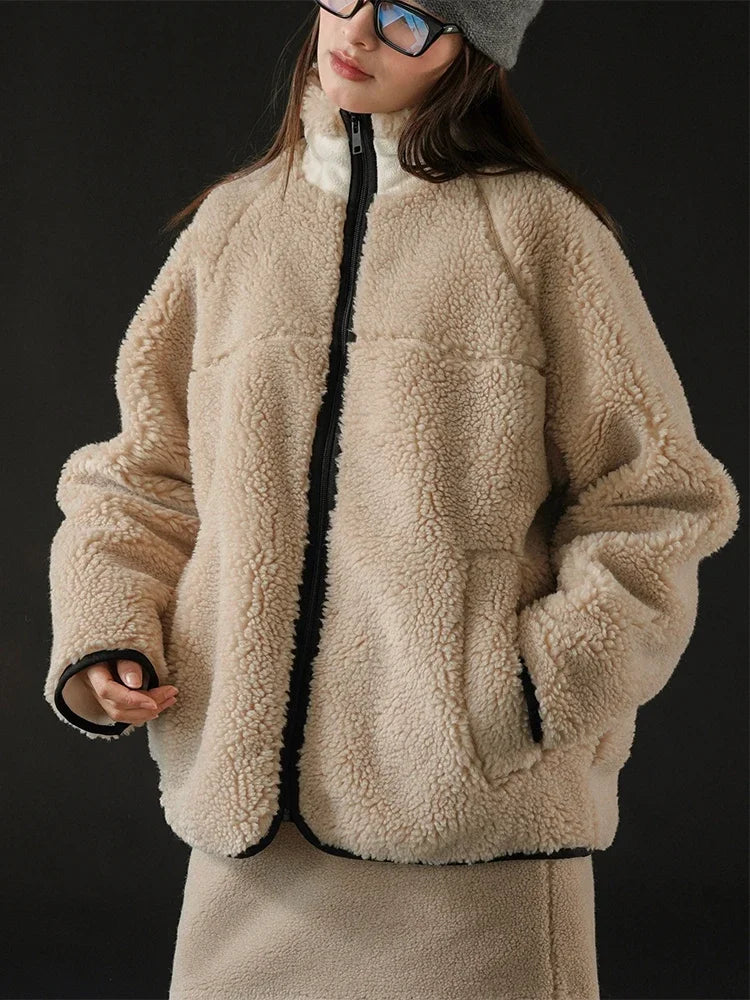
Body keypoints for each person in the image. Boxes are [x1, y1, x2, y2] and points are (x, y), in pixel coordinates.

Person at [43, 1, 740, 998]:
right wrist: (111, 635)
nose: (358, 31)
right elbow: (140, 473)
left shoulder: (540, 232)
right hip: (251, 832)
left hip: (471, 825)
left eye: (410, 14)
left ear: (474, 48)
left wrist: (528, 693)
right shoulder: (233, 228)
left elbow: (658, 496)